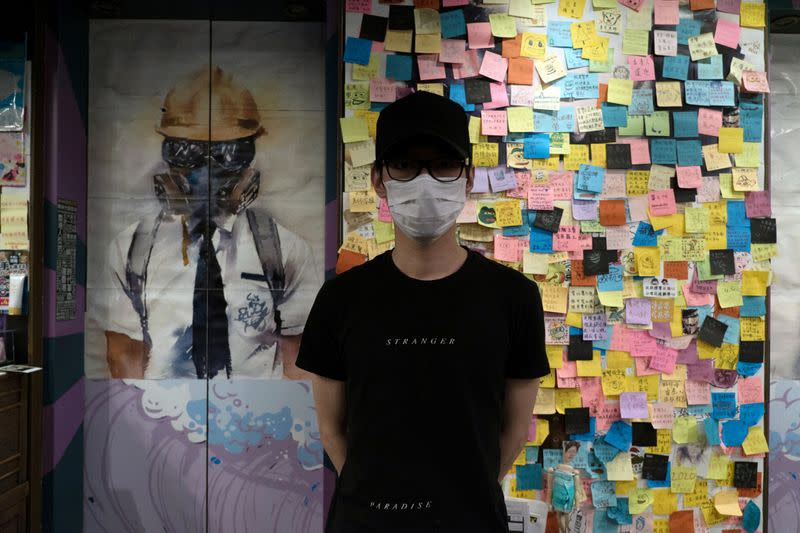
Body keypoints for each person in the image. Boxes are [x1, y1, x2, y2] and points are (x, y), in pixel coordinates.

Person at [295, 91, 550, 533]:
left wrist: (461, 500)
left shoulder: (515, 298)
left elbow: (512, 434)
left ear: (468, 178)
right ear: (378, 180)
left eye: (444, 165)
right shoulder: (341, 299)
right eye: (407, 165)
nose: (425, 181)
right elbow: (332, 431)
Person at [95, 66, 320, 380]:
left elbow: (299, 362)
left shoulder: (283, 250)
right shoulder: (131, 249)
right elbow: (123, 357)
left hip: (255, 420)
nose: (207, 170)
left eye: (230, 153)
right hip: (162, 419)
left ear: (250, 156)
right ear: (168, 153)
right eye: (188, 151)